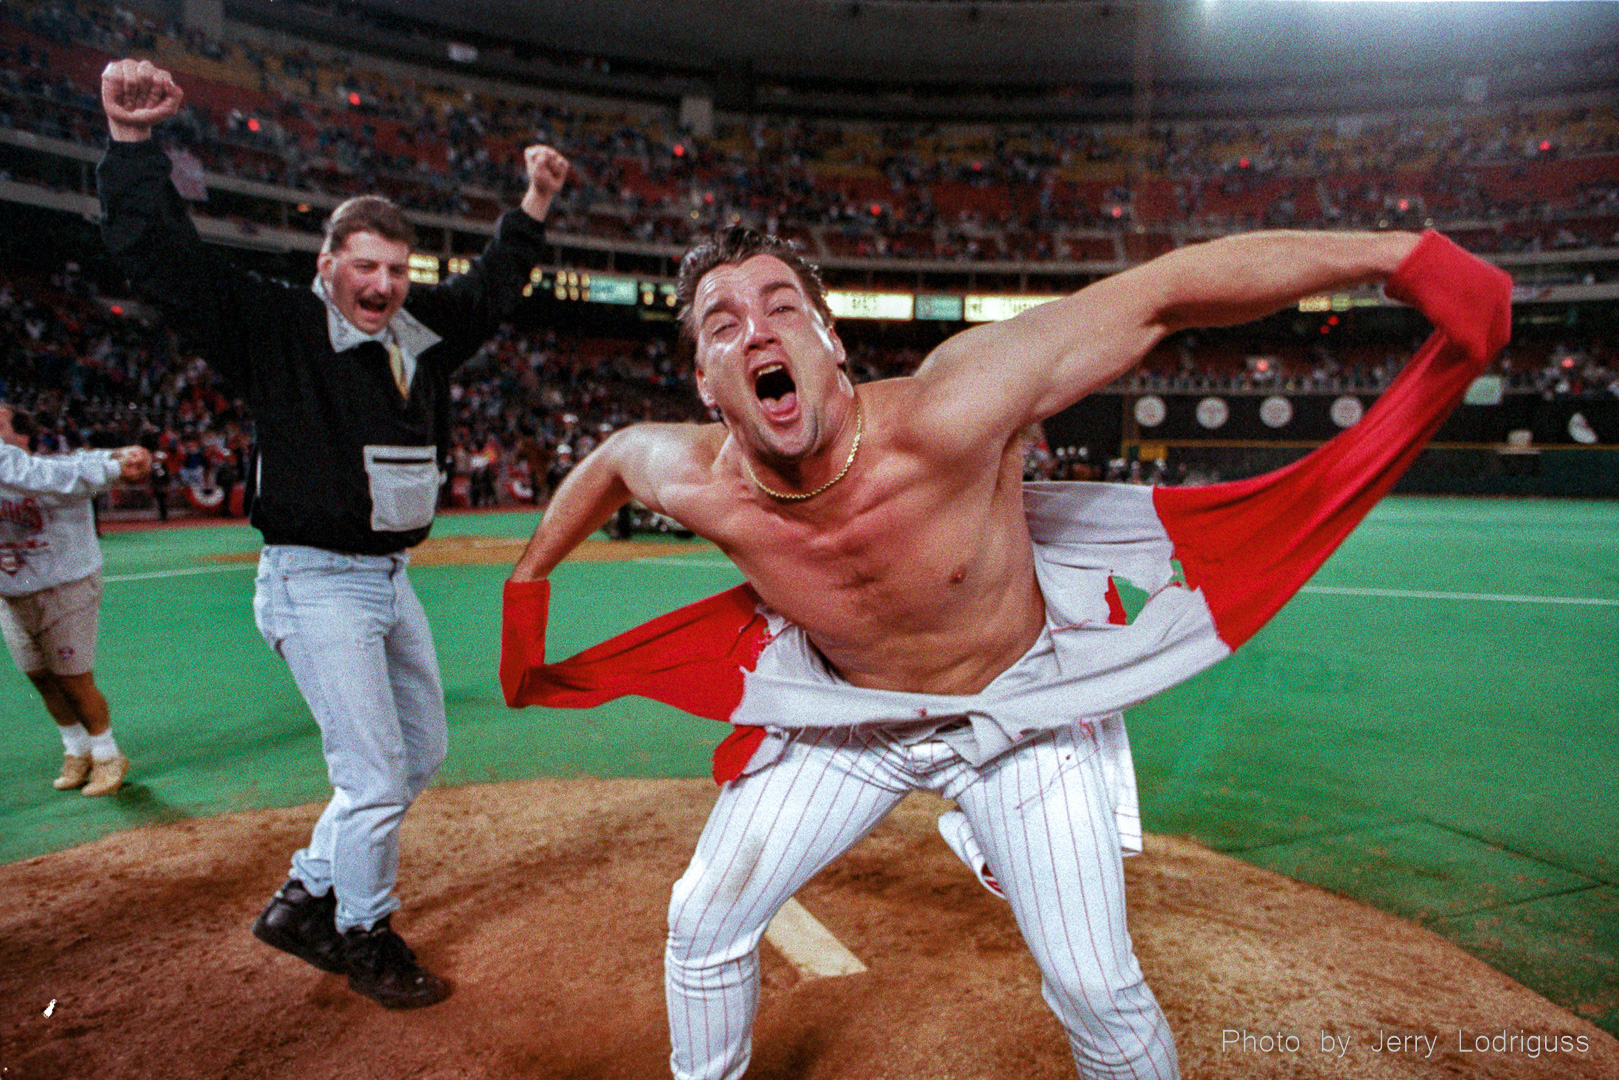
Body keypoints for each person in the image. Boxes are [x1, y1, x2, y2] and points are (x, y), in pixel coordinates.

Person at [503, 224, 1511, 1078]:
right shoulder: (688, 475)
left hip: (1016, 707)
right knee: (701, 921)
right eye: (722, 326)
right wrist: (526, 583)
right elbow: (602, 467)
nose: (753, 329)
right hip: (840, 719)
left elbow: (1161, 295)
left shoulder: (954, 405)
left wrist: (1394, 255)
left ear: (829, 343)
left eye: (778, 307)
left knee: (1092, 982)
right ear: (706, 383)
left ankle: (995, 831)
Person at [97, 58, 570, 1010]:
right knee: (374, 774)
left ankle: (305, 894)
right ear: (328, 267)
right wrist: (133, 146)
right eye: (365, 266)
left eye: (397, 269)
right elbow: (165, 263)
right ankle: (361, 932)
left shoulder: (418, 332)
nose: (385, 284)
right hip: (314, 582)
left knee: (419, 751)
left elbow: (488, 290)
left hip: (388, 581)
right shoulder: (276, 328)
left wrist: (533, 204)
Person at [0, 404, 151, 797]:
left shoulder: (57, 471)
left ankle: (107, 753)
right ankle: (77, 751)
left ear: (23, 436)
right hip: (12, 594)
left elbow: (67, 467)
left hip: (65, 587)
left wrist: (118, 460)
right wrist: (115, 461)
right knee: (41, 680)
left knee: (74, 680)